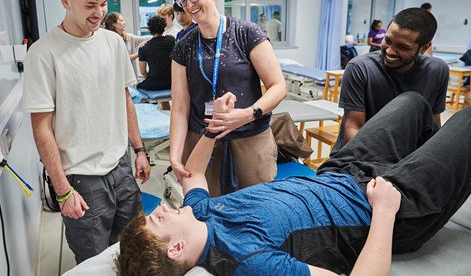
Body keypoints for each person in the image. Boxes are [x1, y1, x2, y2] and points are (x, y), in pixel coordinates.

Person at [116, 91, 471, 276]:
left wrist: (214, 127)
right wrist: (384, 210)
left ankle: (435, 161)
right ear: (176, 249)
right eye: (158, 219)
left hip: (339, 172)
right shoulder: (248, 262)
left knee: (414, 103)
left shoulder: (198, 213)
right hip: (386, 203)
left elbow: (191, 174)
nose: (161, 207)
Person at [22, 0, 150, 264]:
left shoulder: (113, 43)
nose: (100, 13)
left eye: (104, 3)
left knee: (135, 249)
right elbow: (41, 127)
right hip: (81, 177)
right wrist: (62, 190)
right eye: (90, 5)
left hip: (120, 166)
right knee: (95, 261)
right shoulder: (43, 54)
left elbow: (125, 101)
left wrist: (139, 150)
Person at [169, 0, 286, 197]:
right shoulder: (184, 46)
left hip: (250, 141)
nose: (188, 6)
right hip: (202, 144)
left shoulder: (246, 33)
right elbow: (180, 107)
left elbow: (278, 86)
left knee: (256, 212)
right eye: (182, 0)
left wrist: (248, 114)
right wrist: (175, 153)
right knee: (208, 216)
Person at [331, 7, 449, 155]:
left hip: (407, 159)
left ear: (424, 48)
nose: (390, 51)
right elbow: (353, 129)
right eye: (388, 41)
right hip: (359, 155)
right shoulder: (361, 68)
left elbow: (433, 123)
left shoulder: (437, 71)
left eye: (402, 47)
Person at [137, 15, 175, 110]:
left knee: (138, 86)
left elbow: (142, 72)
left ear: (149, 29)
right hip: (172, 82)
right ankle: (166, 110)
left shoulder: (144, 47)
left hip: (154, 85)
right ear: (164, 27)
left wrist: (149, 76)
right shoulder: (171, 40)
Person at [103, 12, 149, 77]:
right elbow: (123, 59)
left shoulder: (128, 37)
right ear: (114, 24)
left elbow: (146, 38)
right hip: (118, 76)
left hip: (130, 76)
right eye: (121, 21)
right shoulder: (110, 40)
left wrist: (160, 35)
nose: (124, 22)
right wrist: (140, 52)